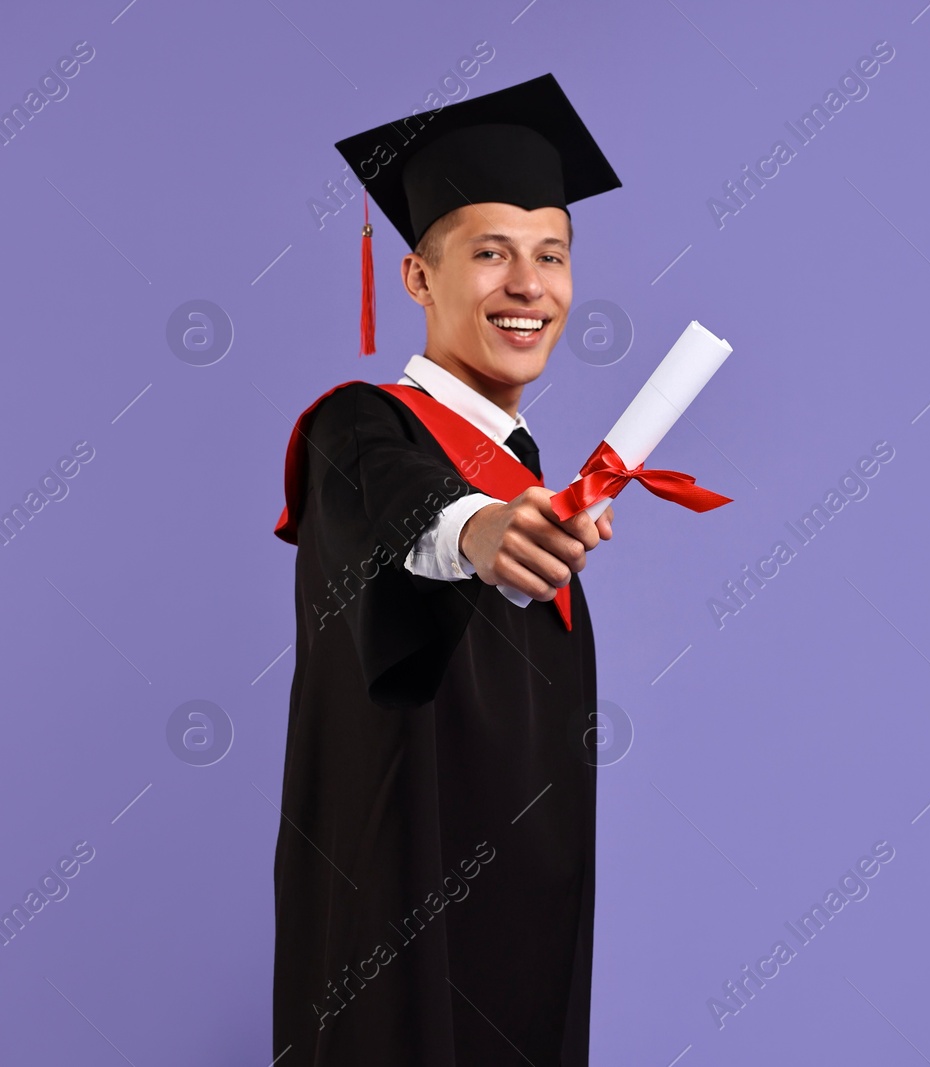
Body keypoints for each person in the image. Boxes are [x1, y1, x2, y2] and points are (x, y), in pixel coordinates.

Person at [269, 73, 622, 1066]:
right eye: (491, 254)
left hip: (529, 915)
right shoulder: (360, 426)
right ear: (418, 279)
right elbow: (409, 502)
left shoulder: (537, 478)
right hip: (397, 913)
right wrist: (478, 528)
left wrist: (512, 510)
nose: (528, 285)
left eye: (551, 255)